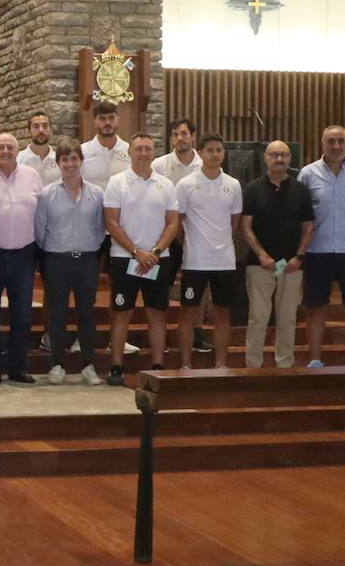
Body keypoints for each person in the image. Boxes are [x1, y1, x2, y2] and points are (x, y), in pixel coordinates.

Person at [102, 132, 179, 386]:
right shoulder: (117, 182)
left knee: (157, 313)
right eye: (139, 149)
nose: (143, 153)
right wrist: (137, 252)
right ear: (130, 153)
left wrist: (154, 252)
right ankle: (116, 367)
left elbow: (173, 223)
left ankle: (158, 365)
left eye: (148, 149)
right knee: (121, 313)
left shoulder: (165, 185)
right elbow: (111, 222)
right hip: (125, 258)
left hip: (158, 259)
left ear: (153, 152)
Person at [298, 125, 345, 367]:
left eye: (341, 141)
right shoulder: (308, 173)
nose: (336, 146)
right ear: (323, 144)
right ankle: (315, 360)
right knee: (316, 307)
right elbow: (301, 214)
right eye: (331, 141)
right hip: (317, 251)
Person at [0, 133, 42, 384]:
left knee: (22, 313)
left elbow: (41, 213)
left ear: (17, 150)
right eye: (0, 147)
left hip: (24, 253)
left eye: (10, 147)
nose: (5, 150)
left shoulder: (32, 176)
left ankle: (17, 367)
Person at [34, 142, 105, 385]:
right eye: (65, 160)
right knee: (58, 314)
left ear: (81, 161)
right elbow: (40, 231)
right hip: (57, 260)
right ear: (58, 163)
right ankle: (57, 364)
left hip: (86, 260)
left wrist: (88, 249)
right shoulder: (46, 194)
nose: (70, 164)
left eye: (74, 159)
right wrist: (56, 250)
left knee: (87, 313)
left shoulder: (96, 194)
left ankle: (88, 365)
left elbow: (100, 229)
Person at [240, 141, 314, 369]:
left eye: (283, 155)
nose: (279, 159)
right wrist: (262, 254)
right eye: (274, 155)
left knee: (287, 318)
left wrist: (298, 257)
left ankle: (284, 365)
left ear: (290, 158)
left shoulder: (300, 190)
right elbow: (245, 226)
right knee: (258, 318)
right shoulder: (252, 189)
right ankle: (253, 366)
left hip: (291, 266)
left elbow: (309, 227)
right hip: (260, 265)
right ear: (266, 158)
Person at [174, 134, 243, 369]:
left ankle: (221, 364)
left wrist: (220, 242)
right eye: (210, 150)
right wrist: (192, 244)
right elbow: (178, 223)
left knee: (222, 314)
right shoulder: (185, 184)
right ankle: (185, 365)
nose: (215, 154)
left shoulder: (233, 185)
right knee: (188, 314)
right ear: (200, 153)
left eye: (219, 150)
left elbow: (234, 223)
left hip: (224, 261)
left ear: (224, 153)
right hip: (195, 261)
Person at [152, 118, 210, 354]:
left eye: (184, 133)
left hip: (196, 236)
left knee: (198, 286)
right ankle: (161, 334)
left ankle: (196, 332)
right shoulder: (159, 165)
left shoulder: (205, 164)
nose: (180, 138)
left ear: (193, 136)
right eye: (175, 134)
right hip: (166, 237)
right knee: (161, 286)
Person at [80, 101, 130, 191]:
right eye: (102, 119)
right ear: (94, 122)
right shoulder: (82, 151)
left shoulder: (130, 151)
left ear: (117, 120)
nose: (107, 122)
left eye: (111, 118)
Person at [17, 111, 60, 186]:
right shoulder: (18, 160)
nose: (41, 130)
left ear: (51, 130)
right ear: (29, 131)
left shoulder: (59, 160)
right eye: (36, 126)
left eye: (45, 126)